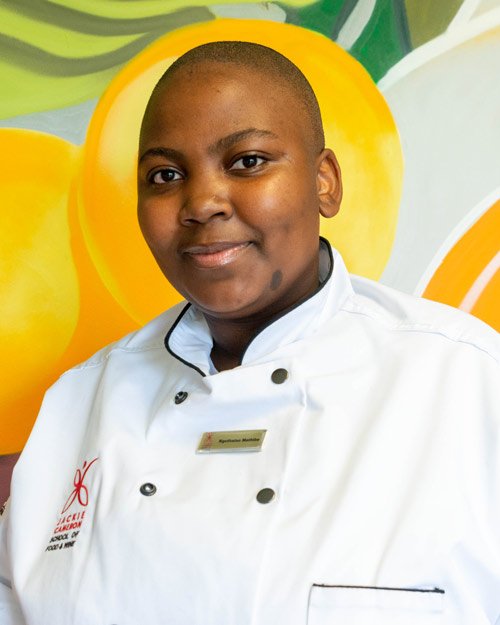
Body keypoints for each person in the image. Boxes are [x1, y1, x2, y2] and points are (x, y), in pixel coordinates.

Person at [0, 41, 499, 625]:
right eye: (165, 175)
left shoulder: (465, 382)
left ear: (324, 182)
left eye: (247, 162)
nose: (202, 203)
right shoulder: (82, 400)